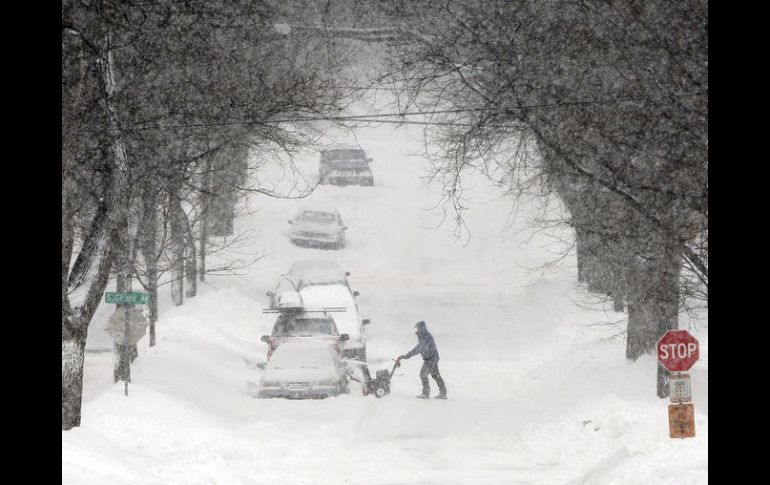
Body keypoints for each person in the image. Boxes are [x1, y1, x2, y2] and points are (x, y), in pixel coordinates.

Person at [397, 321, 447, 399]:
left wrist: (406, 356)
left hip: (431, 359)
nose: (416, 329)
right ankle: (443, 393)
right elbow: (419, 347)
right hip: (432, 358)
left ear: (421, 327)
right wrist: (406, 356)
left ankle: (426, 394)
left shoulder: (425, 335)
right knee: (435, 375)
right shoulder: (423, 335)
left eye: (417, 327)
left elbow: (418, 348)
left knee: (423, 375)